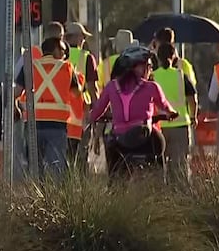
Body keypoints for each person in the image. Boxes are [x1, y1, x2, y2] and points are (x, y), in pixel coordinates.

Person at [90, 46, 179, 176]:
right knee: (159, 147)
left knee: (113, 169)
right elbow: (165, 106)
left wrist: (93, 118)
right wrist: (171, 113)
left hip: (120, 140)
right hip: (145, 137)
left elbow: (97, 110)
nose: (150, 70)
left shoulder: (111, 86)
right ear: (136, 68)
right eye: (147, 66)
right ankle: (160, 186)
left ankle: (114, 189)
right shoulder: (151, 86)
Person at [15, 37, 81, 176]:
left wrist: (16, 107)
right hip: (56, 125)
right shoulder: (66, 67)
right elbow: (76, 92)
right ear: (56, 50)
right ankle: (52, 197)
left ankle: (35, 194)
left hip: (33, 123)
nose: (64, 55)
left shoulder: (30, 67)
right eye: (63, 51)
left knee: (34, 165)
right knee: (55, 166)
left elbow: (16, 92)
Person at [153, 42, 198, 177]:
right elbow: (192, 99)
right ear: (173, 57)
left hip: (158, 127)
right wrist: (193, 116)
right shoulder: (180, 75)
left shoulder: (153, 77)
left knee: (159, 167)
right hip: (180, 126)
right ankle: (181, 196)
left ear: (158, 57)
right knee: (180, 167)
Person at [64, 22, 100, 163]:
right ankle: (79, 185)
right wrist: (97, 115)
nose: (83, 40)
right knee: (81, 158)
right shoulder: (87, 58)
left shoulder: (59, 55)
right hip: (81, 115)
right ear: (78, 38)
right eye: (83, 37)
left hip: (59, 115)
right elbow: (92, 90)